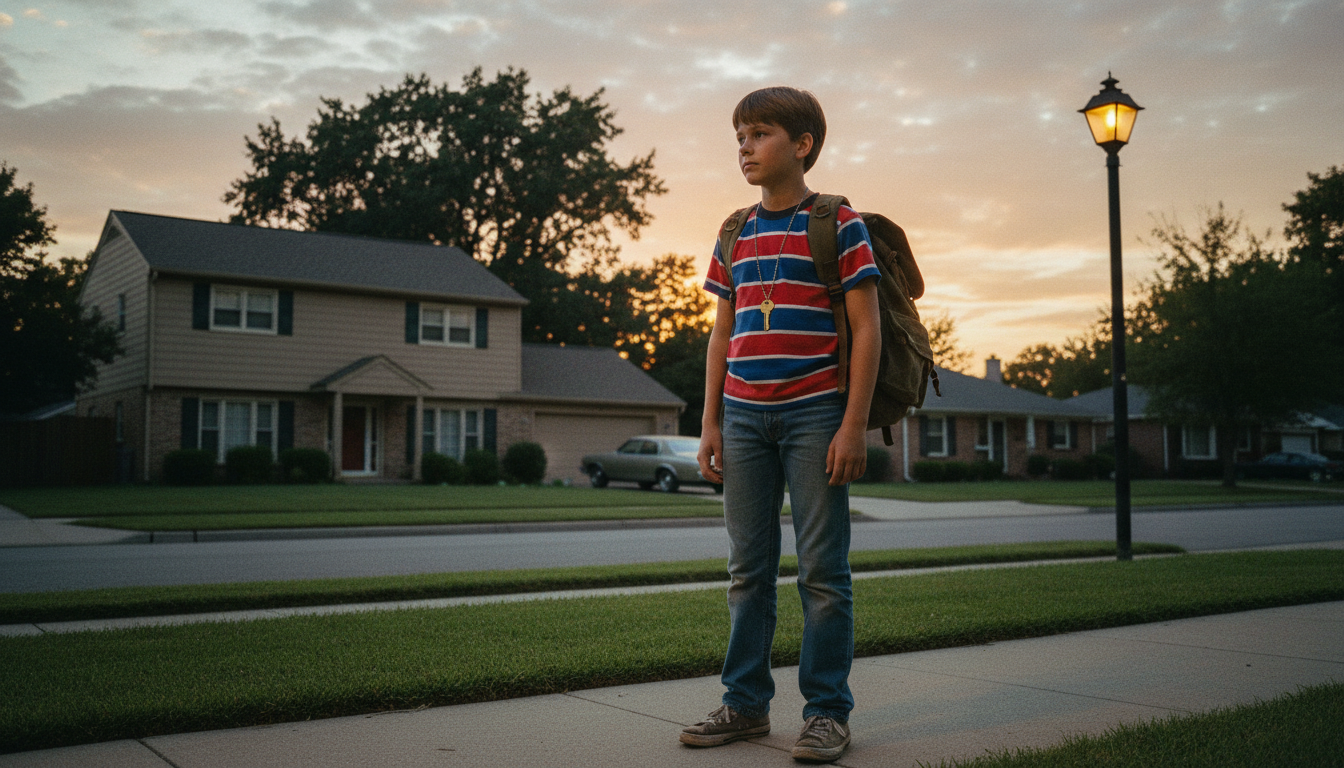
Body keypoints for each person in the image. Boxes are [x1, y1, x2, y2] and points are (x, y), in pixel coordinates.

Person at [679, 86, 881, 763]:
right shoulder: (734, 230)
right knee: (747, 572)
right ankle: (744, 704)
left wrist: (852, 425)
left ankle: (826, 713)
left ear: (801, 145)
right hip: (741, 417)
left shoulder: (837, 222)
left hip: (815, 413)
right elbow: (721, 334)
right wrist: (708, 422)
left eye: (759, 134)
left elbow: (866, 327)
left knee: (823, 574)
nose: (744, 147)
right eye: (739, 136)